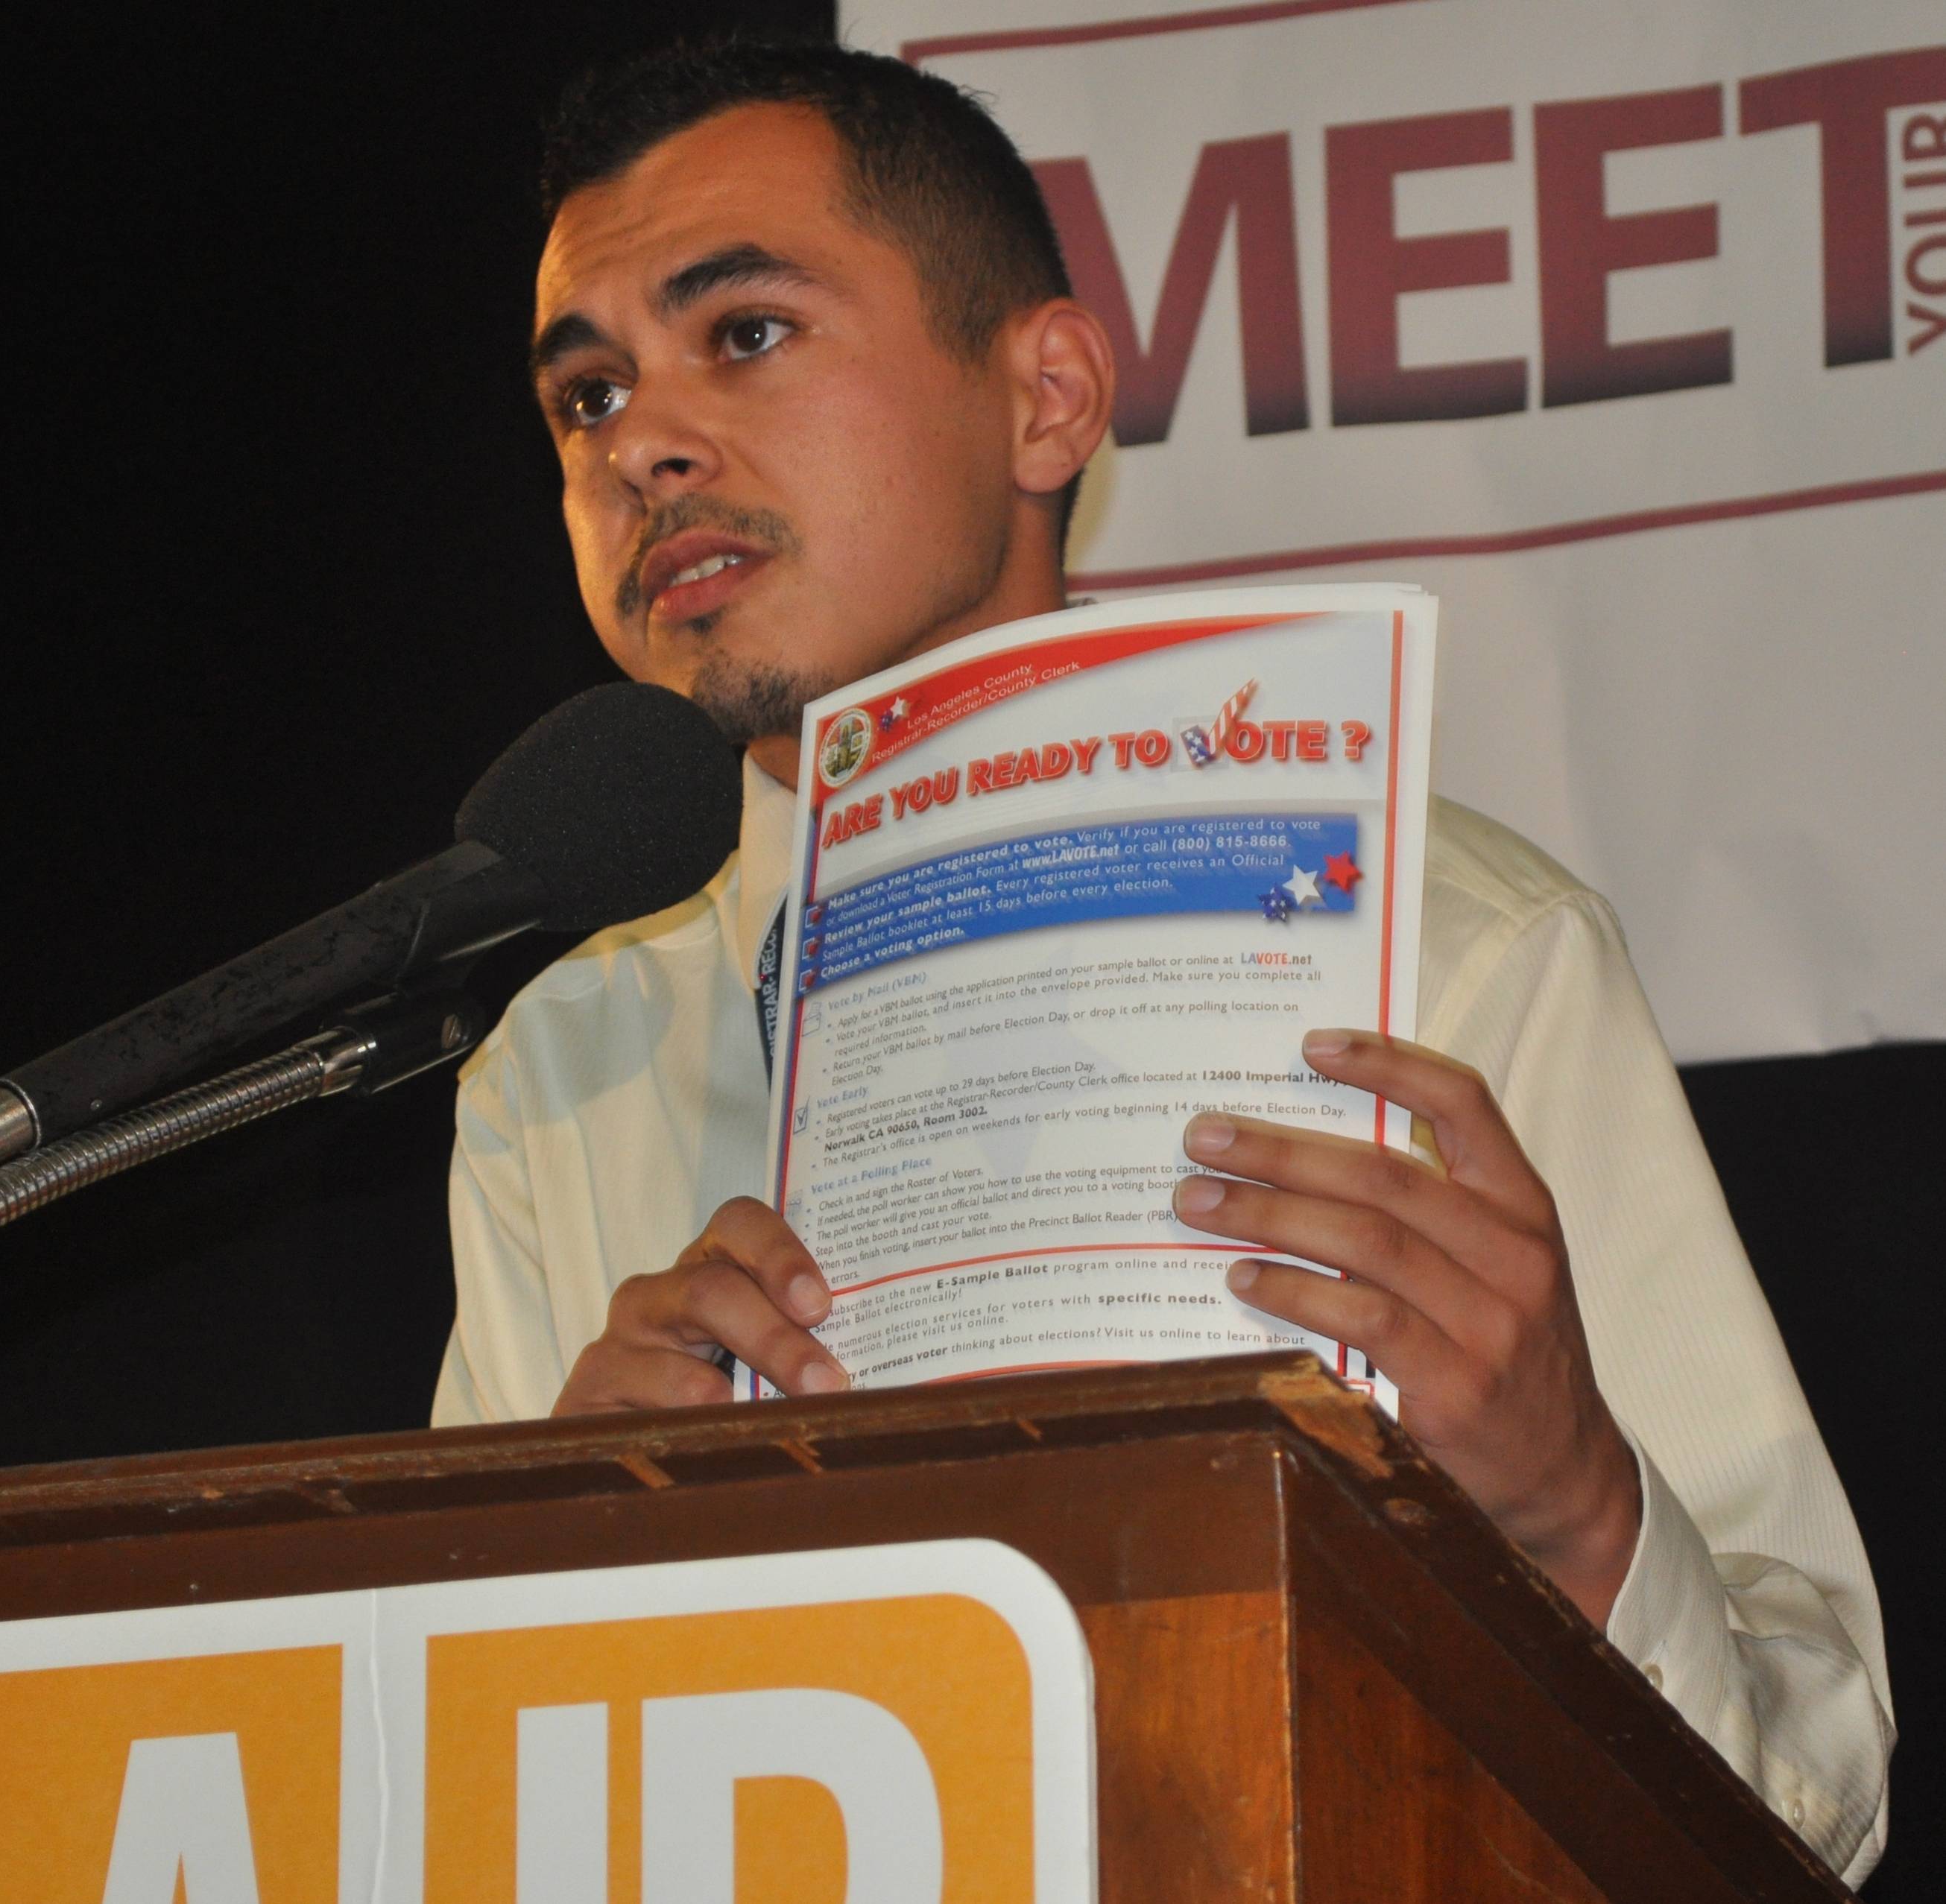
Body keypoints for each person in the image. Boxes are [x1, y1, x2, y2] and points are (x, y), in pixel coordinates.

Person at [431, 39, 1891, 1882]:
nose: (638, 444)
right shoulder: (561, 1068)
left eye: (745, 335)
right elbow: (449, 1816)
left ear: (1045, 398)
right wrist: (553, 1571)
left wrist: (1576, 1510)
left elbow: (1817, 1807)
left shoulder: (1454, 951)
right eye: (583, 396)